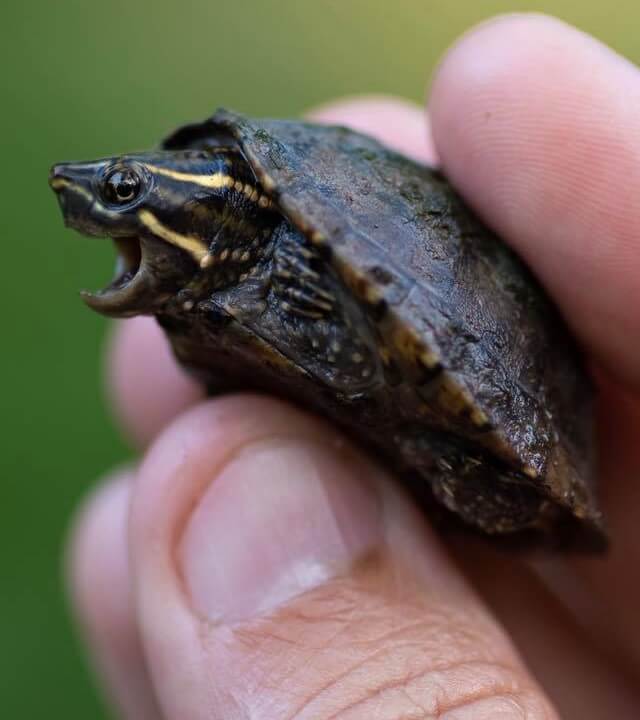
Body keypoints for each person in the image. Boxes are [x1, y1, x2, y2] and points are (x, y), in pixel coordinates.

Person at [67, 14, 640, 719]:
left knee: (485, 487)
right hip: (389, 441)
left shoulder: (284, 241)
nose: (81, 196)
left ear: (217, 210)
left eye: (126, 190)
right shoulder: (212, 286)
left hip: (477, 425)